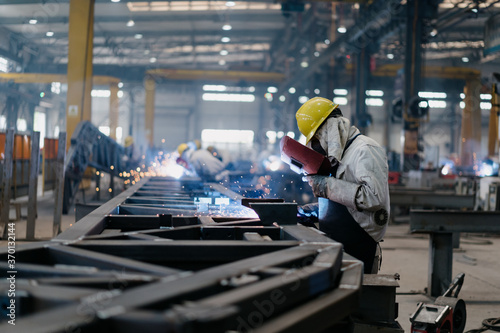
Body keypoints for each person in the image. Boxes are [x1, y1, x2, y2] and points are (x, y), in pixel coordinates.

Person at [295, 97, 390, 274]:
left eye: (317, 137)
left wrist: (325, 186)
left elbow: (373, 198)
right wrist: (315, 209)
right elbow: (347, 201)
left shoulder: (365, 149)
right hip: (338, 240)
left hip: (360, 244)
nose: (315, 144)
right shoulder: (342, 155)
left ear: (330, 128)